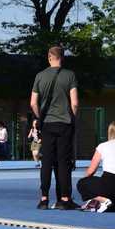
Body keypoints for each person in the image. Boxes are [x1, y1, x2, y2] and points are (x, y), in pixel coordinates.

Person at [30, 46, 79, 210]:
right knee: (63, 162)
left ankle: (44, 198)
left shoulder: (40, 76)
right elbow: (75, 103)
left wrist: (39, 117)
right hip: (64, 123)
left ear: (49, 57)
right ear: (62, 57)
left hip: (47, 123)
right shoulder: (69, 75)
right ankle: (64, 198)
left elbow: (33, 102)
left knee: (47, 162)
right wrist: (72, 117)